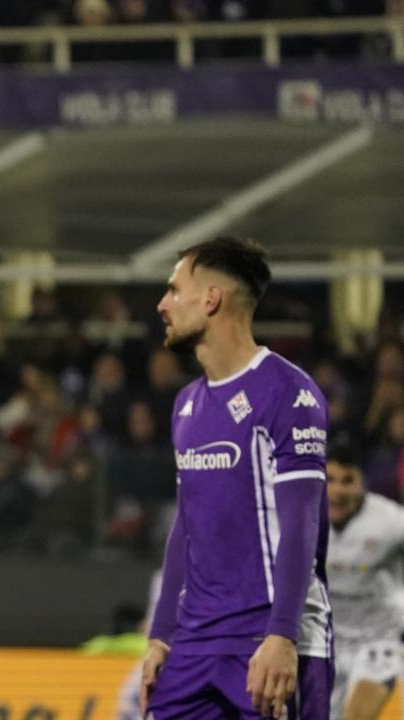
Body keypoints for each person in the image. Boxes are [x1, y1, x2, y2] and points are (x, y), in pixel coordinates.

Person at [140, 237, 333, 718]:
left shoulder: (289, 393)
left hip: (269, 640)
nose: (162, 305)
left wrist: (282, 634)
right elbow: (187, 526)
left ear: (211, 299)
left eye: (173, 290)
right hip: (195, 645)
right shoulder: (187, 405)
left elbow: (303, 523)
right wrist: (161, 635)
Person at [324, 444, 404, 720]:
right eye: (330, 480)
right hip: (324, 643)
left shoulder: (390, 521)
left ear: (362, 483)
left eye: (348, 481)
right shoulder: (304, 518)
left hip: (377, 641)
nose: (337, 491)